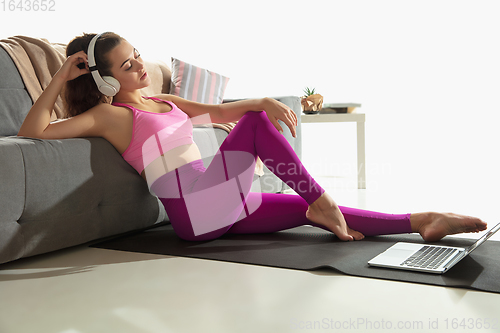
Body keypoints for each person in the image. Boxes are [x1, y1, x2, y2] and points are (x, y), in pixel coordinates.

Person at [18, 32, 487, 242]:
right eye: (127, 65)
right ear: (105, 81)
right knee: (261, 134)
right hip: (196, 214)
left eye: (137, 55)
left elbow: (222, 111)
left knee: (318, 214)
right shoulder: (110, 115)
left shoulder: (164, 101)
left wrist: (261, 98)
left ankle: (424, 219)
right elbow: (33, 131)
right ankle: (318, 198)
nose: (141, 65)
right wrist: (61, 75)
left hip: (220, 204)